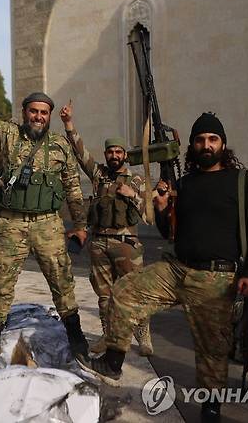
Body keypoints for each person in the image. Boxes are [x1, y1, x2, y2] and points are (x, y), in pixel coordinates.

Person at [78, 112, 248, 423]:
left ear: (223, 144)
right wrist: (164, 210)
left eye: (212, 139)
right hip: (175, 269)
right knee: (124, 291)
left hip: (216, 278)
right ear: (192, 145)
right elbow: (170, 233)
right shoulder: (185, 184)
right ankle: (113, 361)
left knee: (211, 351)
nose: (206, 145)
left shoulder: (242, 182)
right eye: (200, 140)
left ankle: (210, 407)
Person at [0, 68, 90, 360]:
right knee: (1, 281)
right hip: (12, 222)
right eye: (33, 111)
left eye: (44, 112)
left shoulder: (60, 145)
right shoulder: (9, 135)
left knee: (62, 281)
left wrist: (81, 225)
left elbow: (72, 187)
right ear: (24, 113)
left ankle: (75, 333)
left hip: (49, 224)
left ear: (49, 115)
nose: (38, 117)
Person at [59, 101, 152, 356]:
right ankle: (108, 336)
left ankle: (143, 335)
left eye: (118, 152)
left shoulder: (136, 179)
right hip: (99, 244)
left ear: (124, 155)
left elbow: (149, 214)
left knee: (135, 293)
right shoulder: (99, 175)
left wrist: (132, 194)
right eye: (110, 151)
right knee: (104, 297)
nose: (114, 155)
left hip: (127, 245)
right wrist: (69, 124)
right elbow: (80, 153)